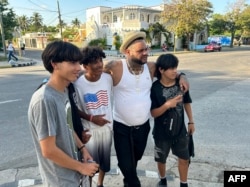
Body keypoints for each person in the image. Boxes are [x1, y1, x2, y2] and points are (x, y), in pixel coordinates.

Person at [103, 31, 189, 187]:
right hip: (121, 126)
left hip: (143, 128)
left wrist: (182, 75)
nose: (145, 53)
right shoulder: (115, 67)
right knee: (126, 164)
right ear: (127, 52)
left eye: (146, 49)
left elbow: (170, 71)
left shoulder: (150, 68)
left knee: (133, 161)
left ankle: (128, 182)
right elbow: (92, 73)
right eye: (140, 51)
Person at [27, 40, 99, 187]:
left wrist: (82, 149)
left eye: (78, 62)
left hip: (74, 174)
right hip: (60, 180)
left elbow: (68, 126)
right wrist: (82, 167)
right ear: (55, 64)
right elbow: (49, 151)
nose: (78, 68)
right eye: (72, 63)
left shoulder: (63, 91)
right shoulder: (45, 99)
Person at [150, 54, 195, 187]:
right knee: (161, 159)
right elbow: (153, 113)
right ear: (161, 70)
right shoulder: (155, 88)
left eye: (176, 67)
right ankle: (163, 180)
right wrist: (167, 105)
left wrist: (191, 121)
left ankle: (183, 183)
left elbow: (186, 103)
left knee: (184, 158)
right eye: (171, 68)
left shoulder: (181, 85)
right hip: (161, 132)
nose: (175, 70)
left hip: (180, 131)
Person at [74, 46, 113, 187]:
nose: (100, 65)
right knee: (89, 165)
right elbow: (74, 110)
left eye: (100, 61)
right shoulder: (78, 84)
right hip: (89, 132)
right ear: (85, 66)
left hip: (107, 129)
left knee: (104, 162)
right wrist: (92, 118)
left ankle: (100, 184)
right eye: (95, 62)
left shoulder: (108, 78)